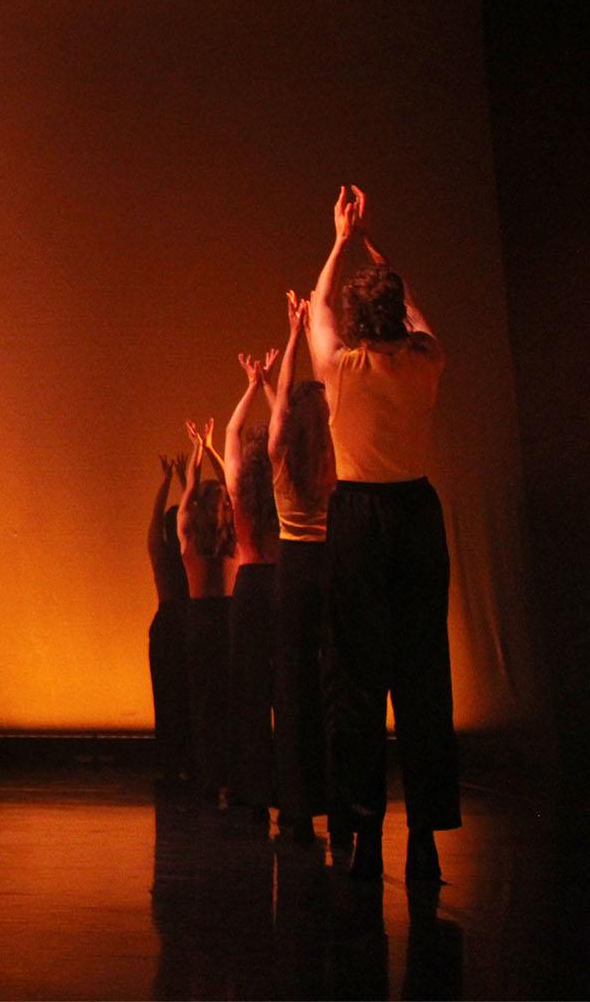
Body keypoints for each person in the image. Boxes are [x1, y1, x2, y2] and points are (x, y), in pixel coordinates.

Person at [307, 186, 457, 882]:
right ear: (395, 314)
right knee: (423, 674)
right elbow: (418, 315)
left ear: (356, 321)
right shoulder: (425, 361)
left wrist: (342, 240)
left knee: (356, 679)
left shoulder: (342, 370)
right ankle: (425, 836)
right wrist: (373, 247)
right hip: (417, 517)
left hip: (360, 521)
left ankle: (364, 833)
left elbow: (316, 307)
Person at [267, 289, 336, 846]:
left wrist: (294, 333)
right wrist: (312, 333)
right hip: (332, 565)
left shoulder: (282, 455)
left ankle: (297, 808)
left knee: (293, 689)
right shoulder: (338, 453)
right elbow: (325, 391)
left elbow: (283, 404)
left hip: (292, 569)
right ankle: (343, 806)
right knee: (335, 686)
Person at [223, 346, 281, 824]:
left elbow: (230, 433)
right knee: (287, 689)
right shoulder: (284, 483)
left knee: (251, 694)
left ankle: (255, 789)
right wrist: (268, 386)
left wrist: (250, 386)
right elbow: (285, 429)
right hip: (281, 584)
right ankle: (292, 788)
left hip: (248, 587)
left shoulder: (239, 486)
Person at [179, 416, 237, 808]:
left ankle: (210, 777)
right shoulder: (233, 534)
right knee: (224, 702)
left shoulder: (190, 535)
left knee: (207, 703)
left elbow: (191, 490)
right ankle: (225, 777)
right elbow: (229, 486)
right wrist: (208, 449)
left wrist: (201, 451)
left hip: (202, 622)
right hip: (223, 620)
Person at [147, 454, 192, 786]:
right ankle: (190, 761)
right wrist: (185, 480)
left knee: (166, 696)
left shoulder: (161, 555)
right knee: (190, 696)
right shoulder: (191, 554)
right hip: (187, 625)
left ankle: (169, 763)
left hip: (166, 626)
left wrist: (166, 481)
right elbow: (194, 515)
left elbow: (154, 521)